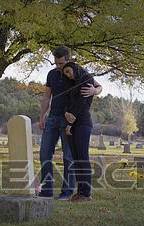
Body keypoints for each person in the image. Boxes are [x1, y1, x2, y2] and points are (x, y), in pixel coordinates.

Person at [38, 46, 102, 200]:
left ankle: (67, 192)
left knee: (69, 158)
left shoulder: (75, 72)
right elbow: (47, 97)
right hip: (53, 118)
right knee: (44, 154)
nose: (59, 67)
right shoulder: (52, 74)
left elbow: (98, 86)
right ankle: (46, 191)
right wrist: (42, 116)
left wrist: (95, 91)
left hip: (70, 121)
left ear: (69, 59)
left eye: (61, 63)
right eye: (56, 64)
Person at [61, 61, 101, 202]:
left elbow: (81, 104)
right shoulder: (73, 83)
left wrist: (70, 123)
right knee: (76, 159)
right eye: (65, 73)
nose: (67, 75)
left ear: (75, 68)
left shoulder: (86, 79)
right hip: (72, 123)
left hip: (82, 123)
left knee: (83, 158)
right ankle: (80, 192)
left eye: (68, 71)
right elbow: (69, 103)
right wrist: (66, 112)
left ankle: (86, 193)